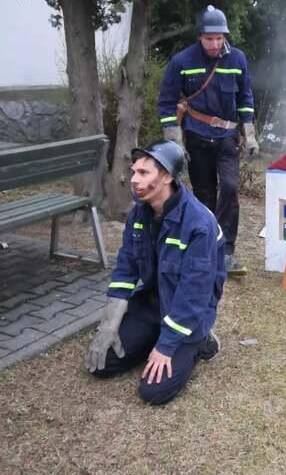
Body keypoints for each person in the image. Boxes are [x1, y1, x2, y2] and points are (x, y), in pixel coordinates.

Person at [85, 140, 226, 406]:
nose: (133, 180)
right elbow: (125, 268)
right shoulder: (139, 213)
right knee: (103, 364)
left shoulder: (199, 224)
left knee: (154, 391)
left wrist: (166, 346)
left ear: (168, 176)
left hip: (187, 314)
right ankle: (152, 334)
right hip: (153, 303)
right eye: (134, 171)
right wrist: (110, 323)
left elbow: (194, 295)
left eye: (143, 173)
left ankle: (200, 343)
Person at [158, 5, 258, 276]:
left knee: (229, 189)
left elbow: (246, 97)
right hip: (197, 140)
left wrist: (249, 134)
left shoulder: (237, 59)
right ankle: (205, 249)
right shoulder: (182, 61)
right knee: (203, 197)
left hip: (226, 139)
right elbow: (167, 103)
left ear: (224, 36)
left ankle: (226, 252)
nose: (214, 44)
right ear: (199, 37)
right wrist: (175, 143)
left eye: (219, 38)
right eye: (209, 38)